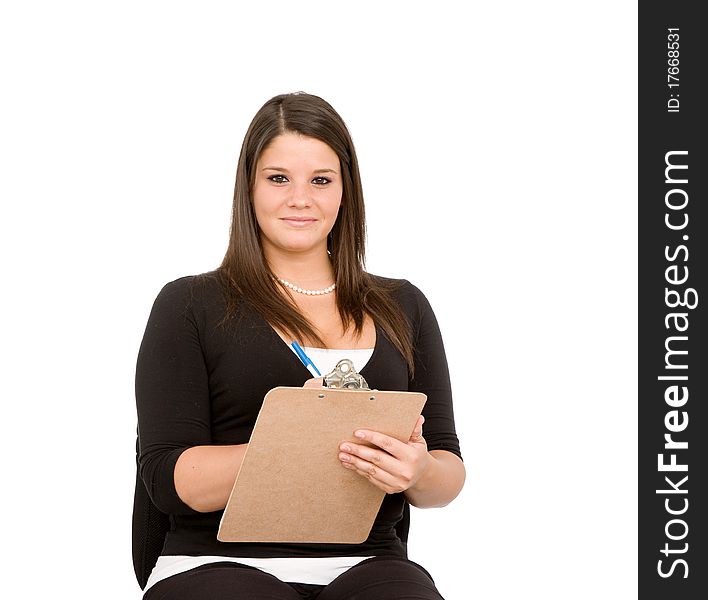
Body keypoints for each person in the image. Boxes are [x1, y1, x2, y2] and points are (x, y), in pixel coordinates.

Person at [134, 92, 465, 600]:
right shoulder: (189, 304)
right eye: (278, 178)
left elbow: (447, 471)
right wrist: (289, 441)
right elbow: (165, 478)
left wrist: (415, 470)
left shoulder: (405, 306)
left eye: (321, 180)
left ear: (345, 191)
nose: (300, 198)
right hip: (215, 561)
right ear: (249, 187)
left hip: (367, 560)